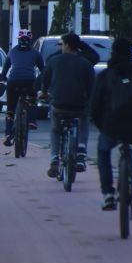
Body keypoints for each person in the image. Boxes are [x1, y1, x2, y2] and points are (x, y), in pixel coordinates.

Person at [90, 37, 132, 211]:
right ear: (131, 54)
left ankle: (107, 193)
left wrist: (101, 125)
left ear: (112, 53)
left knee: (103, 151)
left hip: (112, 125)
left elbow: (95, 105)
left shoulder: (105, 75)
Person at [40, 32, 95, 177]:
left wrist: (44, 93)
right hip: (79, 106)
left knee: (55, 129)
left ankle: (54, 160)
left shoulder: (53, 60)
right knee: (84, 120)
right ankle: (81, 154)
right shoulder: (86, 63)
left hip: (59, 105)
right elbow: (91, 87)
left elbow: (44, 82)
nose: (61, 47)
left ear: (68, 46)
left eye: (62, 44)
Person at [0, 29, 45, 146]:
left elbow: (5, 70)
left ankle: (8, 134)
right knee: (33, 99)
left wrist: (3, 77)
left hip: (13, 82)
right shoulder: (36, 53)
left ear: (18, 40)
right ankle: (32, 121)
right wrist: (41, 83)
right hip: (30, 82)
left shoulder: (12, 52)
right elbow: (43, 71)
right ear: (30, 41)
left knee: (10, 109)